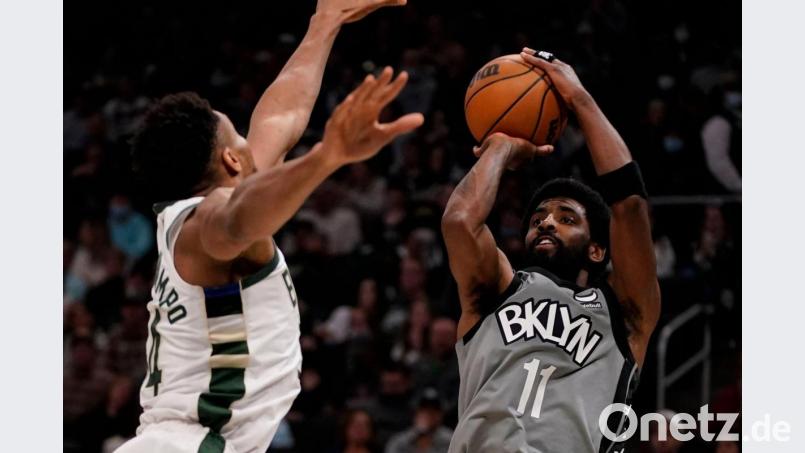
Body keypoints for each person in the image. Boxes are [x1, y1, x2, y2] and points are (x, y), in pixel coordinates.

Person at [115, 1, 423, 452]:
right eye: (239, 134)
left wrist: (325, 22)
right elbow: (238, 220)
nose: (252, 138)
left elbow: (281, 116)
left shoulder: (200, 212)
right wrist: (326, 157)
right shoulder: (205, 226)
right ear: (231, 160)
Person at [442, 48, 660, 453]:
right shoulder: (497, 288)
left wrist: (579, 99)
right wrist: (500, 148)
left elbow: (629, 205)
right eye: (539, 216)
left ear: (597, 251)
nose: (546, 221)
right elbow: (459, 222)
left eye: (567, 218)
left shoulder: (626, 311)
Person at [385, 388, 453, 453]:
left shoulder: (451, 440)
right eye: (424, 409)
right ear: (415, 413)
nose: (429, 413)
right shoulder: (399, 443)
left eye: (434, 410)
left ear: (441, 414)